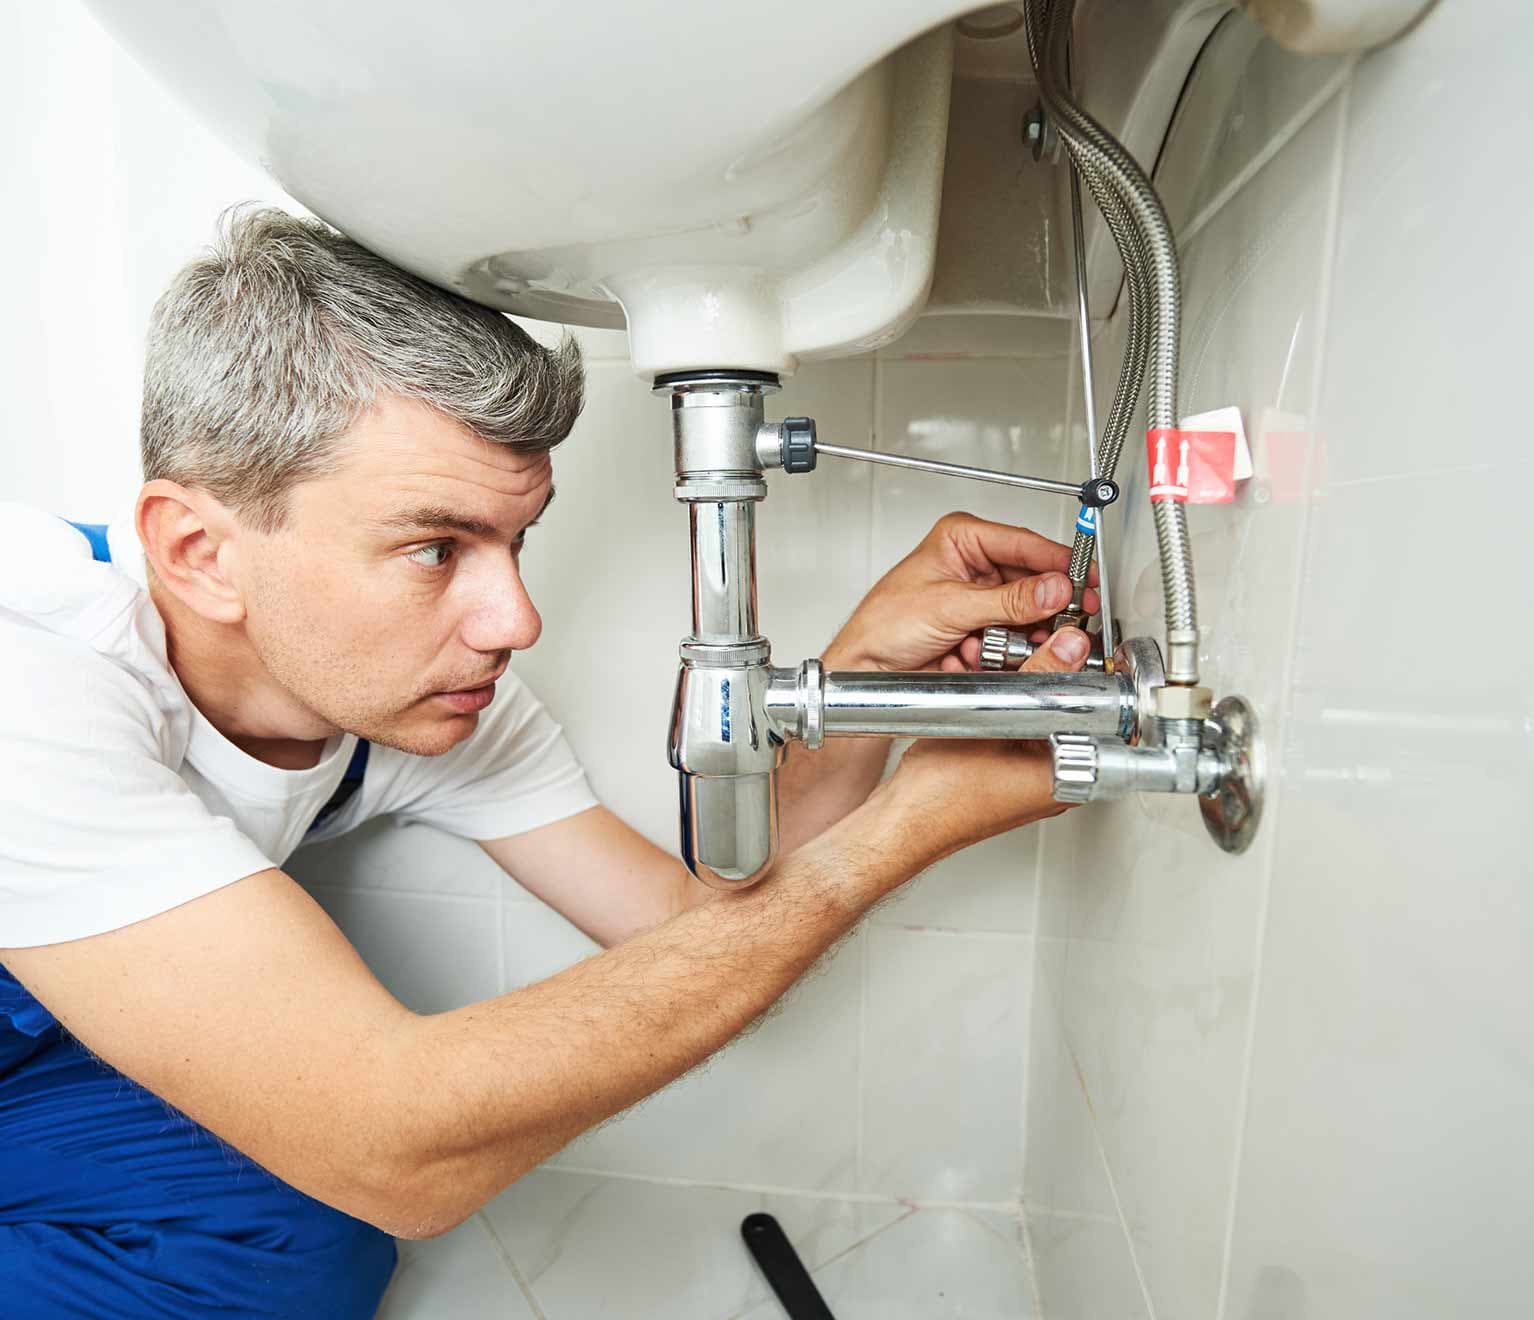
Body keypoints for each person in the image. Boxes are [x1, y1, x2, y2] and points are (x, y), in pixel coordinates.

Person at [0, 207, 1097, 1318]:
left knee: (298, 1241)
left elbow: (683, 933)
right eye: (434, 548)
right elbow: (400, 1148)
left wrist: (863, 694)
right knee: (351, 1162)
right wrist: (906, 828)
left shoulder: (420, 692)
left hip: (34, 1062)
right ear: (199, 553)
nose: (514, 620)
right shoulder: (32, 688)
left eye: (512, 540)